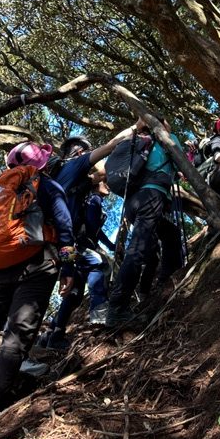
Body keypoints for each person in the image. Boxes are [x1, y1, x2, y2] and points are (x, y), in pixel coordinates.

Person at [0, 142, 75, 422]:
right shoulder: (46, 185)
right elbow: (64, 226)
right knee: (15, 339)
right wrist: (68, 266)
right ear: (42, 163)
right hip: (36, 266)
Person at [105, 114, 183, 329]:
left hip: (133, 201)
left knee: (170, 234)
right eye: (167, 121)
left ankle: (166, 281)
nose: (170, 124)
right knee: (137, 249)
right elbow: (182, 164)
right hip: (152, 195)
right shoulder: (168, 138)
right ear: (161, 124)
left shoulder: (139, 142)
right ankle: (117, 308)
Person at [42, 169, 115, 348]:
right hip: (79, 247)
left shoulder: (84, 200)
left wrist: (111, 246)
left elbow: (95, 231)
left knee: (74, 293)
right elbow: (91, 226)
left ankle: (52, 334)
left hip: (68, 247)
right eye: (105, 183)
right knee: (99, 265)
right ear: (96, 184)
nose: (108, 187)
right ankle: (100, 320)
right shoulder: (94, 199)